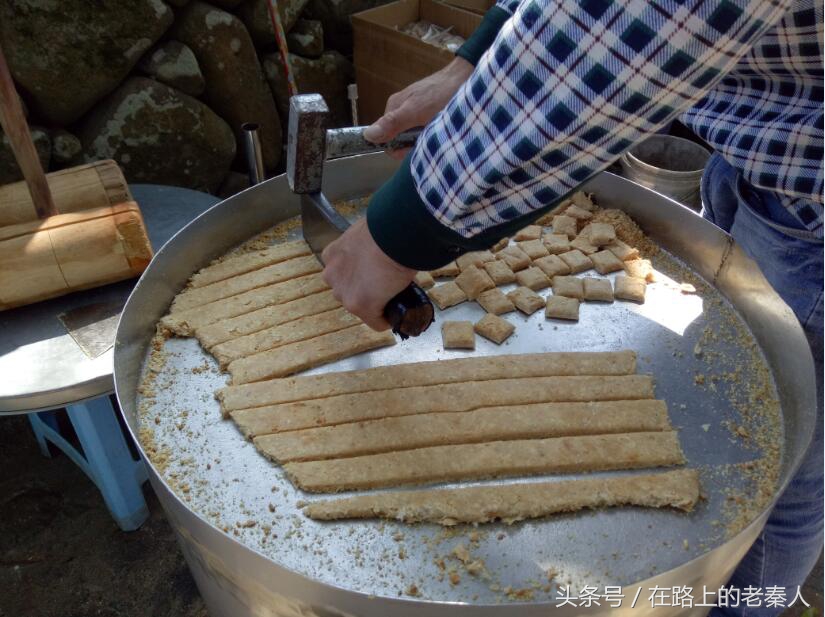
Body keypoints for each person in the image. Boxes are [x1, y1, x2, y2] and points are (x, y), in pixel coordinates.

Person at [321, 0, 822, 612]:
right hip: (760, 144)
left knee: (794, 463)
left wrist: (405, 225)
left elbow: (649, 22)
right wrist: (481, 58)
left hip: (812, 208)